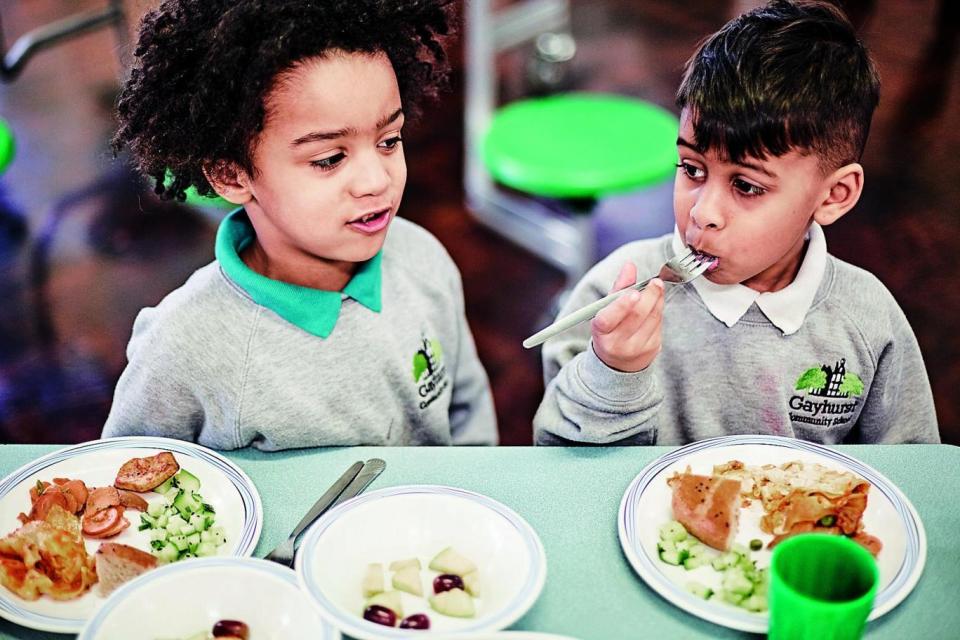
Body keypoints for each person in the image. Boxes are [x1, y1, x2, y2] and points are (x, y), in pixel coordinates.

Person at [533, 0, 939, 446]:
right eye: (691, 168)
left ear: (833, 196)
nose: (703, 213)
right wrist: (614, 371)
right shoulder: (613, 295)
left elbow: (910, 474)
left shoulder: (867, 321)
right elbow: (557, 456)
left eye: (746, 186)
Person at [103, 0, 498, 449]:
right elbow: (128, 479)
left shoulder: (424, 261)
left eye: (389, 140)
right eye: (329, 159)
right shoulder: (182, 347)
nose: (376, 180)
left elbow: (467, 413)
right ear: (233, 175)